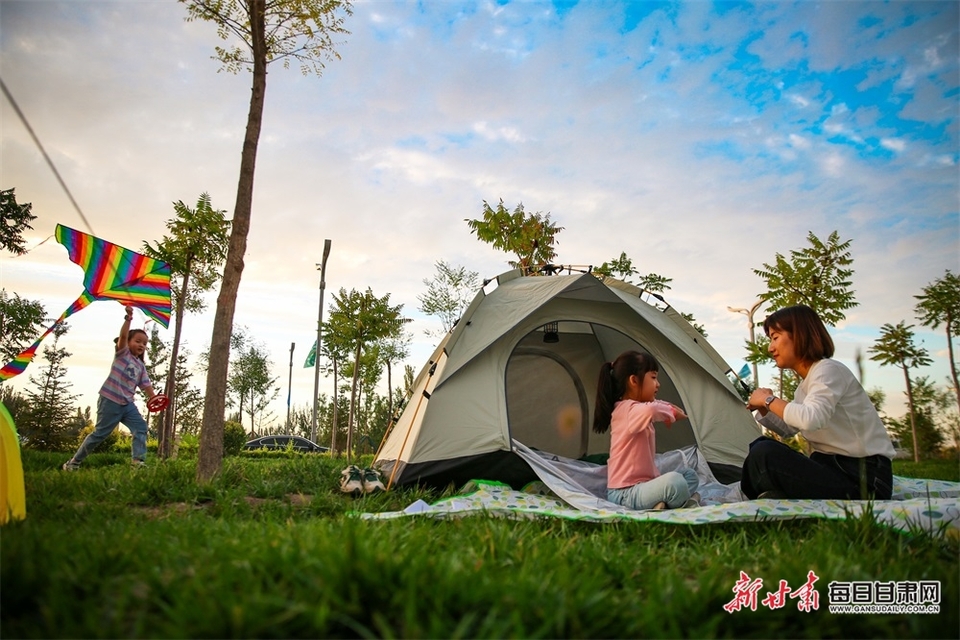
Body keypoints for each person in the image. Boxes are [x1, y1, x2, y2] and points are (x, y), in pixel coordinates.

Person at [742, 305, 895, 500]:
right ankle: (768, 493)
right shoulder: (805, 385)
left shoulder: (828, 370)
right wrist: (765, 408)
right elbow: (789, 429)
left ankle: (762, 493)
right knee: (761, 445)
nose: (770, 348)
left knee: (765, 453)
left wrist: (768, 399)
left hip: (864, 478)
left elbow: (810, 419)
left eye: (775, 337)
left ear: (799, 335)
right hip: (832, 469)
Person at [593, 350, 700, 510]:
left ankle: (663, 504)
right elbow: (653, 410)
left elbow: (658, 408)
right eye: (653, 377)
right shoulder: (626, 410)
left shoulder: (636, 409)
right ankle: (675, 503)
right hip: (625, 494)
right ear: (634, 380)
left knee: (690, 476)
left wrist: (671, 411)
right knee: (675, 482)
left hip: (644, 486)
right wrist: (670, 413)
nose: (658, 384)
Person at [63, 305, 157, 470]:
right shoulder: (123, 354)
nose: (141, 345)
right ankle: (73, 463)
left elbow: (146, 385)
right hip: (110, 400)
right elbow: (122, 335)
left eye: (144, 343)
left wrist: (155, 399)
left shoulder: (140, 366)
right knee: (100, 434)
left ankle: (138, 462)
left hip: (127, 405)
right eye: (137, 341)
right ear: (128, 342)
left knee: (141, 427)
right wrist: (128, 319)